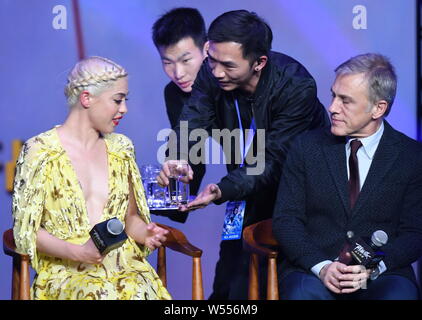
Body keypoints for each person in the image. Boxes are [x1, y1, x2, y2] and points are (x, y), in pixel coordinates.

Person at [157, 10, 330, 299]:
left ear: (259, 62)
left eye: (227, 65)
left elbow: (272, 160)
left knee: (286, 283)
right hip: (242, 188)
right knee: (228, 283)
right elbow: (192, 122)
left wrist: (221, 189)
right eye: (211, 59)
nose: (216, 72)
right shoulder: (211, 74)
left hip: (297, 193)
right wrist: (180, 159)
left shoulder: (296, 85)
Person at [12, 56, 171, 300]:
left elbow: (129, 219)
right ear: (87, 98)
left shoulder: (121, 148)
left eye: (125, 100)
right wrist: (79, 253)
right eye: (117, 100)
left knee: (139, 291)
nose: (124, 109)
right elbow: (29, 232)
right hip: (67, 272)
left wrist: (145, 233)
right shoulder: (40, 151)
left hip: (124, 269)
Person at [272, 53, 422, 300]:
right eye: (333, 95)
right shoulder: (306, 147)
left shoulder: (411, 156)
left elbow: (415, 233)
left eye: (345, 101)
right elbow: (286, 220)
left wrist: (375, 268)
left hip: (382, 275)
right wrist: (321, 267)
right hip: (314, 271)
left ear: (378, 108)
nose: (332, 108)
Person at [152, 7, 207, 198]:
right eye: (167, 63)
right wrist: (176, 200)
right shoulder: (174, 93)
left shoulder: (230, 81)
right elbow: (187, 148)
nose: (178, 73)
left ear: (206, 49)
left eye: (186, 60)